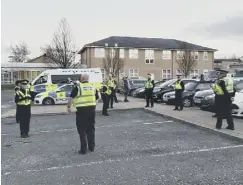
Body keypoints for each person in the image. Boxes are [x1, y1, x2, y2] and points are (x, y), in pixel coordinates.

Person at [67, 74, 100, 155]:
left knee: (82, 130)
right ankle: (91, 147)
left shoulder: (78, 87)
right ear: (87, 79)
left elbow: (71, 98)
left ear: (81, 79)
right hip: (91, 110)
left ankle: (83, 150)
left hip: (81, 111)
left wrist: (68, 107)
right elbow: (97, 97)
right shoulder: (93, 87)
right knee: (91, 129)